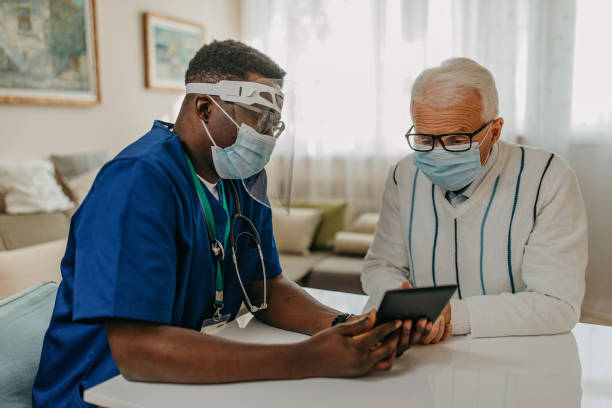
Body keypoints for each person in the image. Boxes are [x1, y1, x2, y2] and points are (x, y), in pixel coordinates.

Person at [33, 40, 424, 407]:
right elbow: (137, 351)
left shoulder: (240, 178)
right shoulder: (138, 182)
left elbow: (265, 285)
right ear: (204, 107)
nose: (268, 137)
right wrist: (305, 359)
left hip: (176, 373)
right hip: (101, 389)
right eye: (259, 118)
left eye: (274, 123)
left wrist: (344, 325)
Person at [361, 57, 587, 341]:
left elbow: (557, 304)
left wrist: (451, 315)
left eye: (457, 140)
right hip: (425, 355)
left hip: (516, 357)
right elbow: (380, 267)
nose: (438, 153)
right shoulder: (403, 175)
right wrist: (406, 308)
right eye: (425, 140)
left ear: (494, 131)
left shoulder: (548, 178)